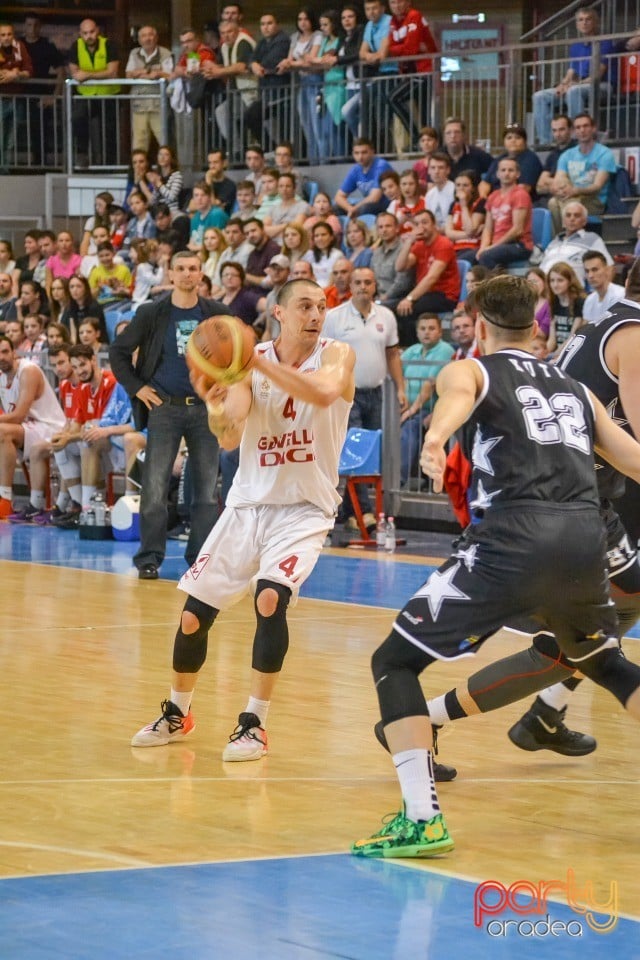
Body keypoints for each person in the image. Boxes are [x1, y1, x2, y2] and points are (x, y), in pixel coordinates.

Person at [351, 274, 640, 859]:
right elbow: (633, 457)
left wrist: (434, 439)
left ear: (478, 325)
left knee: (394, 661)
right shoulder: (572, 388)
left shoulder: (473, 368)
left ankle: (422, 819)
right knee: (605, 664)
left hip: (512, 538)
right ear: (536, 326)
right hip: (587, 540)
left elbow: (455, 401)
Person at [130, 278, 356, 759]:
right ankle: (178, 712)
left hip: (304, 510)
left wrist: (256, 364)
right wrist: (216, 404)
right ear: (278, 312)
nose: (316, 316)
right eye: (304, 307)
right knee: (193, 619)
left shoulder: (336, 355)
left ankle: (254, 722)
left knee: (270, 599)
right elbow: (229, 435)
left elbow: (321, 394)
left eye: (321, 307)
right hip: (247, 505)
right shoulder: (248, 365)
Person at [429, 263, 640, 759]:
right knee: (573, 644)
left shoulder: (599, 324)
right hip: (575, 505)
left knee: (588, 636)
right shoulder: (631, 333)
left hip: (572, 496)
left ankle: (540, 714)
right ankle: (426, 716)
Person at [109, 251, 227, 579]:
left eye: (193, 268)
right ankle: (149, 557)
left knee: (205, 491)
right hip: (164, 408)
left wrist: (227, 387)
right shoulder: (152, 312)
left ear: (201, 274)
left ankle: (200, 561)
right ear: (170, 274)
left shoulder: (217, 313)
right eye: (181, 269)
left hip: (205, 409)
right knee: (155, 487)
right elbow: (118, 352)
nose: (188, 274)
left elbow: (238, 357)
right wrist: (137, 388)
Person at [322, 267, 406, 530]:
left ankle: (350, 513)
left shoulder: (387, 317)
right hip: (348, 394)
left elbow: (392, 354)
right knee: (355, 451)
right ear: (350, 285)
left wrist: (401, 388)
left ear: (374, 286)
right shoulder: (334, 317)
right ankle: (365, 513)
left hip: (376, 392)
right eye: (357, 282)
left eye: (367, 282)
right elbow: (323, 355)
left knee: (368, 455)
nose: (362, 287)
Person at [0, 335, 66, 518]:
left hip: (50, 428)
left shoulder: (28, 371)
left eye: (5, 351)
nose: (1, 357)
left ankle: (4, 500)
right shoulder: (1, 378)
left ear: (14, 352)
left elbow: (19, 415)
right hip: (27, 430)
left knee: (2, 432)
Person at [532, 6, 617, 145]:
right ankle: (546, 142)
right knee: (539, 96)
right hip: (581, 86)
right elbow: (571, 72)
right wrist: (562, 85)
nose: (584, 23)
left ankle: (575, 139)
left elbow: (597, 75)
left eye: (588, 19)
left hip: (602, 86)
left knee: (573, 91)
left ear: (595, 22)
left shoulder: (605, 42)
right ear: (577, 24)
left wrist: (573, 85)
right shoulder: (576, 46)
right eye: (581, 20)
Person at [399, 314, 454, 486]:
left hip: (432, 409)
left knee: (410, 426)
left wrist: (411, 410)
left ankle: (397, 481)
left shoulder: (445, 350)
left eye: (431, 328)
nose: (426, 333)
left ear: (439, 332)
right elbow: (398, 373)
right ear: (417, 332)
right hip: (407, 407)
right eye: (422, 329)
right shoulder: (413, 350)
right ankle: (377, 478)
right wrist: (401, 399)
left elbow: (429, 386)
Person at [395, 210, 460, 344]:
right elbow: (400, 267)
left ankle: (412, 350)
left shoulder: (443, 244)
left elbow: (432, 277)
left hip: (445, 295)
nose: (421, 227)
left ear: (434, 224)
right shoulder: (419, 245)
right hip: (426, 294)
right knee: (394, 310)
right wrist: (409, 242)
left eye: (425, 222)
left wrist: (410, 298)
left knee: (408, 311)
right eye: (417, 224)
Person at [547, 112, 617, 234]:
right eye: (578, 127)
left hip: (594, 200)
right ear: (574, 131)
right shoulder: (567, 155)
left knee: (570, 204)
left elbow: (597, 187)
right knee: (552, 202)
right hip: (572, 196)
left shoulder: (605, 154)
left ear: (593, 128)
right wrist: (559, 188)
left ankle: (569, 240)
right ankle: (559, 240)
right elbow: (559, 179)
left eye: (586, 126)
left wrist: (575, 191)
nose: (582, 130)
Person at [67, 19, 120, 166]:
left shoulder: (108, 44)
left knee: (109, 130)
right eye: (85, 33)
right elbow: (75, 74)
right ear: (80, 34)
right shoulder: (75, 46)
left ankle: (110, 165)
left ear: (97, 31)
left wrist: (88, 75)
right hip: (86, 94)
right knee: (78, 118)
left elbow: (112, 72)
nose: (89, 36)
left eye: (91, 32)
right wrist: (95, 74)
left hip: (108, 94)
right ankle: (82, 155)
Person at [477, 157, 533, 270]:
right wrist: (482, 248)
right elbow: (488, 228)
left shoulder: (520, 195)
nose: (506, 173)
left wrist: (492, 247)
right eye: (503, 170)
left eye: (510, 170)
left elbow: (518, 230)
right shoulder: (493, 196)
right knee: (471, 257)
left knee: (487, 257)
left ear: (517, 174)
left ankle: (503, 286)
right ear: (497, 174)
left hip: (519, 245)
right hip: (497, 245)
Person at [125, 25, 174, 154]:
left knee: (164, 142)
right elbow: (128, 74)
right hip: (139, 104)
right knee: (139, 142)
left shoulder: (165, 53)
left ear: (156, 37)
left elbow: (169, 75)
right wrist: (149, 71)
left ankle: (172, 173)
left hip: (159, 104)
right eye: (143, 36)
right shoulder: (134, 53)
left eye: (150, 35)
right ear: (139, 39)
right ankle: (139, 173)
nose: (147, 39)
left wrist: (154, 74)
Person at [244, 14, 291, 149]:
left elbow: (272, 61)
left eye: (269, 23)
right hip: (266, 93)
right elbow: (251, 58)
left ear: (277, 25)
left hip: (282, 94)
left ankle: (281, 153)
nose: (266, 27)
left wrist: (258, 64)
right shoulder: (262, 42)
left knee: (285, 131)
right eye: (263, 24)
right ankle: (270, 148)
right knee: (250, 116)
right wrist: (253, 64)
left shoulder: (283, 40)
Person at [538, 200, 613, 283]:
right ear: (563, 221)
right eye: (568, 215)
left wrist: (605, 294)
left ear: (584, 221)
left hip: (572, 288)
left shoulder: (592, 239)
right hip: (545, 286)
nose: (572, 219)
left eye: (576, 215)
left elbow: (609, 266)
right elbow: (541, 269)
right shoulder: (554, 242)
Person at [0, 23, 33, 173]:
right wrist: (9, 72)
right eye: (2, 35)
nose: (6, 38)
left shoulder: (19, 47)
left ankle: (5, 170)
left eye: (9, 34)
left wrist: (16, 74)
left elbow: (29, 71)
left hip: (17, 100)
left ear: (13, 35)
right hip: (1, 99)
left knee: (11, 140)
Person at [334, 138, 393, 218]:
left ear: (372, 152)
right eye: (356, 153)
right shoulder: (355, 170)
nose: (360, 157)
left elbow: (374, 198)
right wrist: (349, 208)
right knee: (336, 209)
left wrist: (355, 208)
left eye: (364, 152)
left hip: (387, 206)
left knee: (365, 208)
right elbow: (338, 197)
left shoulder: (381, 166)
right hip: (366, 205)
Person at [370, 212, 413, 310]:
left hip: (397, 299)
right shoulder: (376, 253)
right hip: (378, 298)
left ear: (397, 228)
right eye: (380, 227)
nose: (384, 230)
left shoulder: (404, 250)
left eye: (388, 226)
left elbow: (402, 283)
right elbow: (372, 279)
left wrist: (384, 298)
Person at [535, 114, 575, 199]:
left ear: (571, 130)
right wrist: (559, 184)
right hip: (550, 198)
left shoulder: (577, 151)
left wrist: (549, 182)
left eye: (561, 130)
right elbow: (540, 186)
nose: (558, 134)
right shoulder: (553, 155)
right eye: (554, 130)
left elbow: (573, 184)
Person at [441, 117, 492, 182]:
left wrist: (485, 184)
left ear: (464, 135)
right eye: (448, 133)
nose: (453, 136)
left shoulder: (479, 155)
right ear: (444, 136)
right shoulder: (438, 157)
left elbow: (495, 174)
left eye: (457, 132)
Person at [582, 251, 626, 324]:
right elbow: (585, 329)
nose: (590, 275)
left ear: (607, 270)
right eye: (587, 271)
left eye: (595, 270)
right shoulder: (589, 300)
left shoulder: (620, 295)